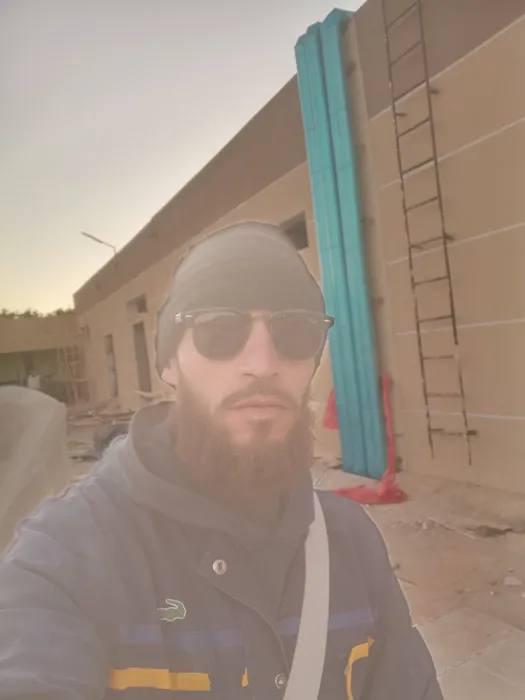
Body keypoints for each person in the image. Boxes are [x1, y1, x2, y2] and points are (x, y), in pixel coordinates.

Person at [0, 222, 442, 699]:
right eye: (218, 330)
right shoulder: (66, 556)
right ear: (169, 363)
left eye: (295, 331)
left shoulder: (351, 542)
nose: (263, 363)